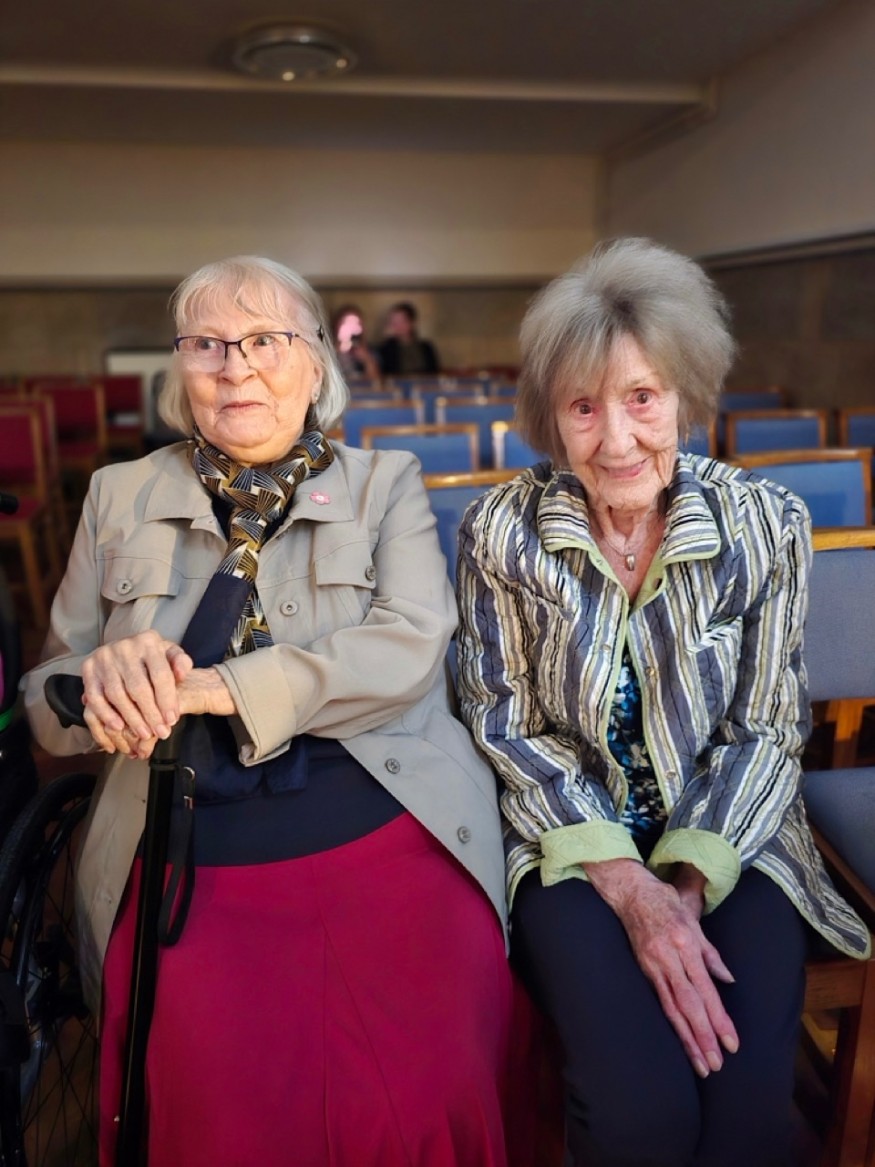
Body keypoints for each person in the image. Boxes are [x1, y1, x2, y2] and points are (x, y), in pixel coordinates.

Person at [24, 255, 519, 1167]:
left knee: (422, 1086)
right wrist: (97, 680)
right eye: (207, 344)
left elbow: (411, 646)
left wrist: (216, 689)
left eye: (264, 340)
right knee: (208, 1095)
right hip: (181, 830)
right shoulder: (118, 494)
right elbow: (47, 701)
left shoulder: (384, 482)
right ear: (180, 368)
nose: (235, 366)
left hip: (382, 805)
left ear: (315, 360)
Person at [454, 237, 871, 1167]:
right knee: (637, 1113)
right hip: (570, 840)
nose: (615, 440)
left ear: (686, 394)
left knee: (746, 1115)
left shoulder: (764, 524)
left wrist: (684, 883)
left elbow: (766, 726)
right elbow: (503, 719)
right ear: (551, 419)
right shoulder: (499, 532)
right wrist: (628, 884)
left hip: (733, 832)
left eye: (641, 397)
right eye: (582, 406)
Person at [377, 301, 440, 376]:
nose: (397, 326)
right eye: (394, 322)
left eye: (402, 321)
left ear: (412, 322)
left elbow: (434, 372)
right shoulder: (386, 348)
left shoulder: (426, 347)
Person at [330, 302, 381, 383]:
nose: (352, 328)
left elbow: (376, 382)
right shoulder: (327, 351)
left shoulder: (371, 353)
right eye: (347, 323)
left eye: (356, 323)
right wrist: (336, 352)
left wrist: (367, 360)